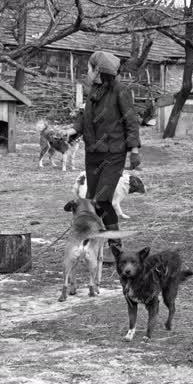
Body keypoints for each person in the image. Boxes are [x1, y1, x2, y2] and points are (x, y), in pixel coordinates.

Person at [73, 51, 141, 255]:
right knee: (93, 200)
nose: (87, 71)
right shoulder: (94, 90)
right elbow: (86, 118)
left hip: (113, 153)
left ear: (98, 70)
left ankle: (116, 246)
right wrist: (72, 130)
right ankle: (96, 242)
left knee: (102, 199)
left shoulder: (120, 90)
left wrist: (134, 150)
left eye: (89, 67)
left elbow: (131, 121)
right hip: (93, 154)